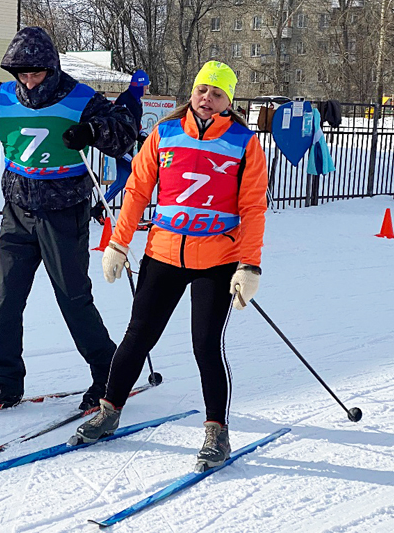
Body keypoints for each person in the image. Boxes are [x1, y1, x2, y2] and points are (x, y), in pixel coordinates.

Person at [0, 27, 137, 412]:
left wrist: (91, 131)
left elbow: (124, 132)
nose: (28, 81)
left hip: (63, 214)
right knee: (7, 300)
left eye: (36, 73)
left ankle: (108, 376)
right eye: (21, 73)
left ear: (52, 68)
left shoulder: (80, 98)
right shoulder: (5, 98)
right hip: (17, 213)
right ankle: (5, 383)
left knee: (73, 299)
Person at [72, 61, 269, 471]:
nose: (207, 99)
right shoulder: (165, 132)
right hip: (163, 255)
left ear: (229, 101)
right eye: (202, 90)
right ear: (192, 92)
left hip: (217, 260)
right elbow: (138, 189)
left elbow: (252, 207)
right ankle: (109, 411)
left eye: (217, 93)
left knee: (205, 346)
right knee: (137, 337)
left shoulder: (244, 142)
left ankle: (217, 431)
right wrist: (118, 243)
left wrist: (248, 266)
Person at [91, 69, 150, 225]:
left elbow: (134, 125)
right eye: (145, 86)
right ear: (139, 85)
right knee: (135, 177)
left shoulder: (136, 100)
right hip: (119, 145)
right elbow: (120, 123)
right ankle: (131, 217)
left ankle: (99, 208)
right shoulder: (126, 100)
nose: (147, 89)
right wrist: (136, 135)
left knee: (123, 180)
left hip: (127, 145)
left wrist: (141, 134)